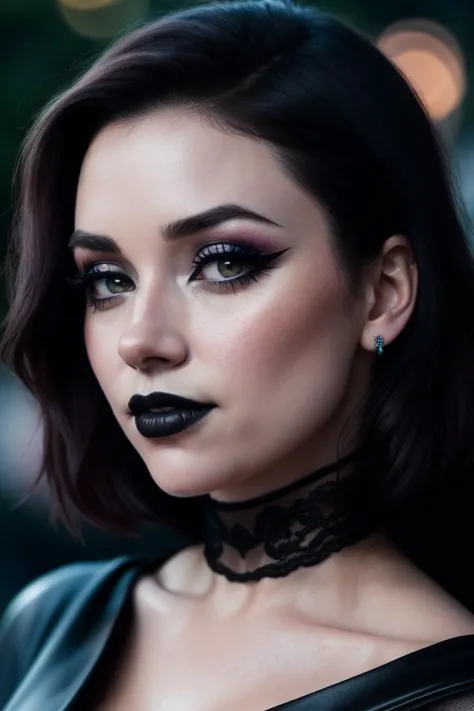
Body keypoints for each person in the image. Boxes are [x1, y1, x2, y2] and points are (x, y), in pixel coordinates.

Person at [2, 0, 474, 708]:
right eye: (108, 279)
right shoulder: (47, 623)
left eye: (222, 263)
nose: (140, 338)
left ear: (382, 291)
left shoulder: (440, 688)